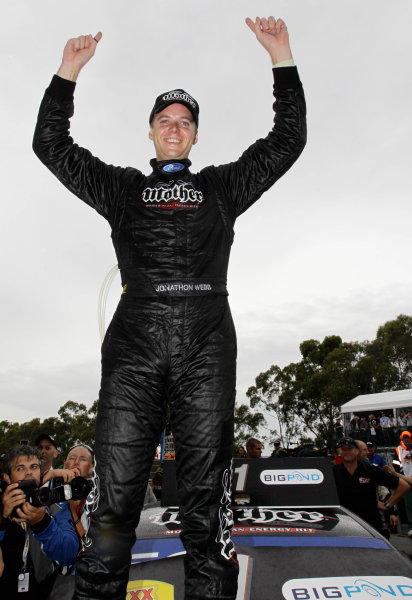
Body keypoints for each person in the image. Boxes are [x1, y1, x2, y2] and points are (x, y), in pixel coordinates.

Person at [33, 15, 306, 600]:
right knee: (115, 502)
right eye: (165, 121)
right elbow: (50, 145)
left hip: (207, 340)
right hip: (135, 342)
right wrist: (68, 74)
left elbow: (288, 141)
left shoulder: (221, 187)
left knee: (207, 503)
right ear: (152, 132)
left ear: (196, 135)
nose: (175, 128)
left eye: (185, 122)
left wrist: (281, 59)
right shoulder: (122, 187)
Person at [0, 445, 79, 599]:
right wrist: (2, 519)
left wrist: (42, 523)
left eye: (34, 467)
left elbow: (69, 554)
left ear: (40, 472)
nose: (29, 472)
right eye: (20, 468)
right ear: (7, 478)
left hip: (44, 591)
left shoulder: (54, 503)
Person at [333, 437, 409, 536]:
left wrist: (387, 505)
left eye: (350, 449)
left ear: (356, 451)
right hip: (345, 526)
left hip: (372, 526)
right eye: (344, 449)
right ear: (340, 452)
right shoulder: (332, 472)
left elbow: (404, 486)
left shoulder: (370, 470)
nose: (347, 452)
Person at [395, 431, 412, 536]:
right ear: (402, 439)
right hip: (406, 480)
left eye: (408, 438)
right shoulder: (398, 449)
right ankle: (411, 527)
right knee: (409, 505)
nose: (406, 439)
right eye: (404, 438)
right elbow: (396, 464)